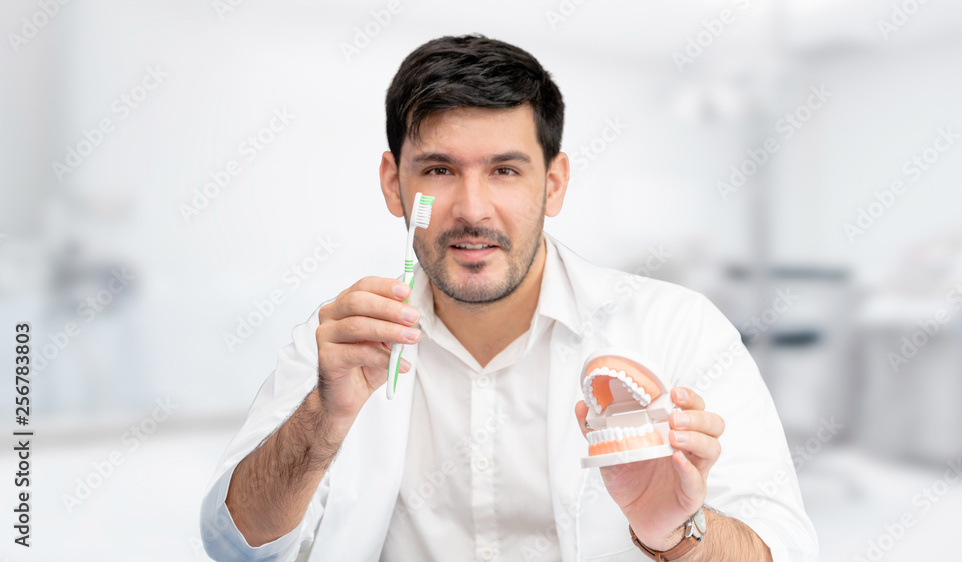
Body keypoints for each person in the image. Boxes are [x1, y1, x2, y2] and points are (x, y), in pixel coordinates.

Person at [200, 34, 818, 561]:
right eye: (439, 170)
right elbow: (234, 542)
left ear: (553, 184)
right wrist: (323, 420)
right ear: (395, 184)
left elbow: (785, 546)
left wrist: (676, 535)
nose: (472, 210)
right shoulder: (343, 342)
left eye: (505, 170)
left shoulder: (675, 327)